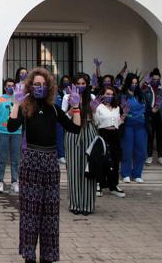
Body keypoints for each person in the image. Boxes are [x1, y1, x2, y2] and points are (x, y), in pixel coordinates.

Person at [7, 67, 81, 263]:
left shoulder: (55, 109)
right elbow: (11, 126)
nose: (40, 88)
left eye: (43, 85)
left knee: (50, 213)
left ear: (49, 87)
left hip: (50, 162)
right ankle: (29, 256)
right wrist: (16, 102)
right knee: (30, 211)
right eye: (36, 84)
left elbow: (75, 128)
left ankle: (48, 256)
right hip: (30, 161)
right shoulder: (25, 108)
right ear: (30, 86)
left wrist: (76, 107)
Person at [61, 73, 97, 216]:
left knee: (89, 168)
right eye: (78, 83)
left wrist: (93, 110)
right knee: (74, 168)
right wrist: (73, 106)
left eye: (84, 83)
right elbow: (63, 117)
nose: (81, 86)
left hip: (89, 130)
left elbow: (97, 119)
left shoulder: (92, 97)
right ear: (73, 85)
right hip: (72, 131)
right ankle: (75, 204)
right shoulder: (66, 97)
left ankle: (87, 205)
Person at [92, 86, 126, 197]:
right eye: (107, 94)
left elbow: (118, 123)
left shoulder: (116, 108)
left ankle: (114, 186)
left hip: (115, 134)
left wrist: (123, 116)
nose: (109, 96)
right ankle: (99, 185)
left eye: (111, 94)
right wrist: (93, 110)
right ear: (102, 95)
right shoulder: (99, 107)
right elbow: (95, 122)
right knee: (102, 160)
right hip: (103, 134)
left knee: (115, 160)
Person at [0, 78, 21, 193]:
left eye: (12, 85)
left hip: (17, 132)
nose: (11, 87)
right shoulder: (0, 100)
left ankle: (14, 182)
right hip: (3, 132)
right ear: (5, 87)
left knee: (15, 159)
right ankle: (0, 182)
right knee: (2, 158)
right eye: (8, 85)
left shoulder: (19, 99)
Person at [120, 73, 148, 183]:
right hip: (128, 126)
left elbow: (147, 110)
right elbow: (121, 111)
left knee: (140, 150)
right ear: (128, 83)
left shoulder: (141, 95)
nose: (134, 85)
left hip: (141, 126)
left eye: (136, 83)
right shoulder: (123, 96)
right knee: (127, 150)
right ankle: (125, 173)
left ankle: (137, 174)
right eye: (132, 83)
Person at [55, 75, 71, 164]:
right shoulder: (58, 92)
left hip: (69, 117)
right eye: (64, 81)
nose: (66, 82)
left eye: (67, 81)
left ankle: (63, 155)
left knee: (64, 137)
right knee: (58, 136)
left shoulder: (71, 91)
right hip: (58, 117)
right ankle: (59, 155)